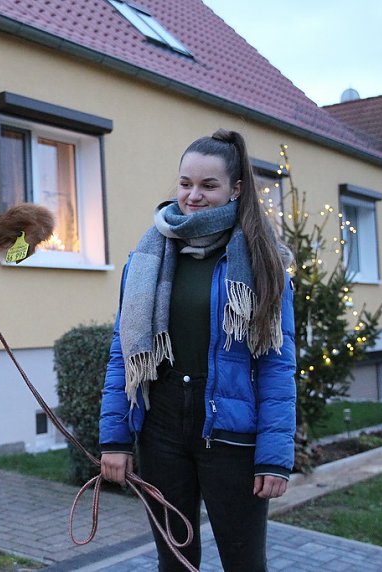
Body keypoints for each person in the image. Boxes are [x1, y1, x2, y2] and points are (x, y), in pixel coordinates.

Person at [99, 129, 296, 571]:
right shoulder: (147, 256)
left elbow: (278, 366)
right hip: (161, 430)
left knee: (244, 564)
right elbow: (122, 352)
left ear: (235, 189)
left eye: (209, 186)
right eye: (186, 183)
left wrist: (275, 457)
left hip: (232, 436)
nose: (194, 196)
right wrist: (115, 438)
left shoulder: (264, 262)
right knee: (174, 563)